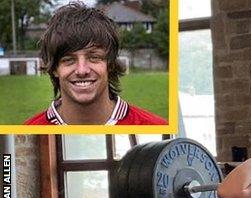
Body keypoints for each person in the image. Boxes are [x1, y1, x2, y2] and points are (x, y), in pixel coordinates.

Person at [24, 2, 167, 125]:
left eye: (94, 57)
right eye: (69, 60)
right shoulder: (27, 130)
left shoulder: (156, 126)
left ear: (110, 64)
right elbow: (7, 157)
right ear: (54, 68)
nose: (82, 70)